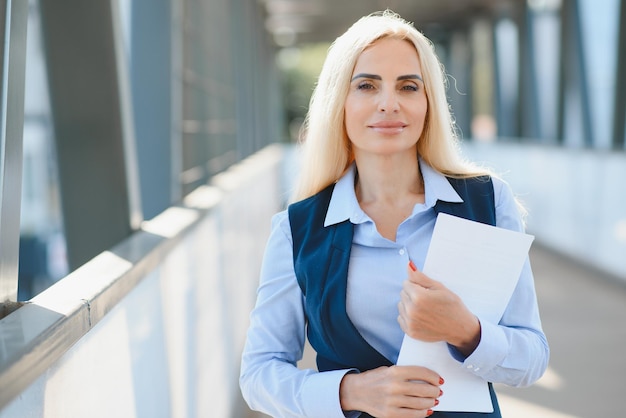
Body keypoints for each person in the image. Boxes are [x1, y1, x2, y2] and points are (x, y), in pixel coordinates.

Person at [240, 10, 549, 418]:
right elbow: (258, 374)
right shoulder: (298, 230)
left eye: (408, 86)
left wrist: (466, 331)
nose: (389, 104)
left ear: (427, 104)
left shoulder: (488, 203)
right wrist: (350, 392)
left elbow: (532, 357)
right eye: (367, 85)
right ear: (340, 103)